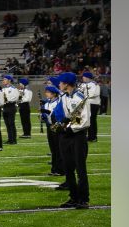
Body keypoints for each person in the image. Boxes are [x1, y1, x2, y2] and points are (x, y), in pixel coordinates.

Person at [53, 73, 91, 209]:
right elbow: (68, 115)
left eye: (60, 82)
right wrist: (59, 125)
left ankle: (84, 199)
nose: (59, 84)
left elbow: (83, 119)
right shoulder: (64, 97)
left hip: (78, 136)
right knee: (68, 168)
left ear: (67, 84)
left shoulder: (80, 97)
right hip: (66, 136)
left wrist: (70, 127)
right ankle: (73, 197)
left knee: (80, 169)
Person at [41, 85, 64, 176]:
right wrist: (43, 116)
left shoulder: (58, 102)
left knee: (59, 149)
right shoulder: (47, 103)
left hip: (57, 127)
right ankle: (54, 169)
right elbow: (47, 116)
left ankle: (61, 169)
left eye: (48, 92)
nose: (46, 93)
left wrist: (46, 112)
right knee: (53, 149)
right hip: (50, 127)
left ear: (53, 94)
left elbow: (56, 114)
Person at [82, 71, 102, 142]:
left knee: (92, 120)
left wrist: (84, 96)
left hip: (93, 104)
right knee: (89, 120)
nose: (83, 78)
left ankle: (93, 137)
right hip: (88, 104)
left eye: (84, 76)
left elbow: (94, 94)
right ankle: (91, 136)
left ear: (87, 77)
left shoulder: (94, 84)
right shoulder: (85, 84)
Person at [0, 76, 19, 145]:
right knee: (7, 124)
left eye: (5, 79)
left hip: (11, 106)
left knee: (11, 124)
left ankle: (13, 139)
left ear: (9, 80)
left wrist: (7, 99)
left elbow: (15, 97)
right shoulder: (3, 89)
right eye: (3, 79)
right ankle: (10, 139)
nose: (3, 80)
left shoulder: (14, 88)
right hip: (5, 106)